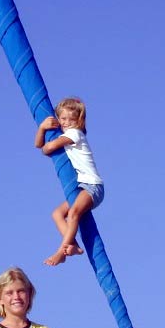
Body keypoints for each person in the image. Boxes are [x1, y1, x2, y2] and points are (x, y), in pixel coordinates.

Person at [34, 97, 104, 266]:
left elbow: (48, 148)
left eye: (71, 120)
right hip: (82, 187)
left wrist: (46, 146)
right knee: (57, 213)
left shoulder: (75, 134)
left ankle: (61, 252)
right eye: (62, 119)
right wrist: (42, 128)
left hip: (92, 186)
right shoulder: (67, 133)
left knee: (73, 214)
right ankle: (73, 246)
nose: (66, 123)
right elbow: (38, 145)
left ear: (78, 121)